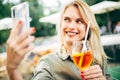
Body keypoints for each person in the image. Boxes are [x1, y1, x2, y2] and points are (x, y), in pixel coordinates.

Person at [6, 0, 112, 80]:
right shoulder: (48, 63)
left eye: (79, 21)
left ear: (88, 27)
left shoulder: (99, 59)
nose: (71, 26)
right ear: (61, 24)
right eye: (67, 19)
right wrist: (13, 69)